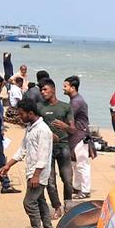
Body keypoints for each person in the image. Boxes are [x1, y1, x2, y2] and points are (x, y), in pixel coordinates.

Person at [0, 98, 54, 228]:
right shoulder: (30, 128)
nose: (20, 117)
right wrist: (8, 165)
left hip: (38, 174)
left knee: (29, 203)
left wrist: (36, 175)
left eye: (21, 114)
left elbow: (43, 155)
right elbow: (22, 149)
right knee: (40, 201)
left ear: (30, 113)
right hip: (32, 171)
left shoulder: (43, 130)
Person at [39, 77, 74, 219]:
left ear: (53, 89)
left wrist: (65, 126)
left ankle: (68, 204)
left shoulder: (66, 107)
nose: (42, 92)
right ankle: (57, 207)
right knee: (50, 181)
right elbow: (32, 125)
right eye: (41, 90)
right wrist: (48, 134)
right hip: (47, 148)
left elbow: (73, 129)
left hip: (64, 147)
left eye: (45, 89)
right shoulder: (40, 107)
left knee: (67, 179)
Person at [62, 75, 93, 199]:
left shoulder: (76, 102)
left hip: (80, 135)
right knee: (75, 163)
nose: (63, 89)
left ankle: (85, 190)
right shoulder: (73, 100)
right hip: (74, 136)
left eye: (65, 86)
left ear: (73, 88)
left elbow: (67, 117)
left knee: (82, 163)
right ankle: (78, 186)